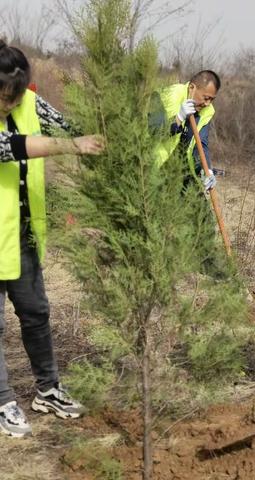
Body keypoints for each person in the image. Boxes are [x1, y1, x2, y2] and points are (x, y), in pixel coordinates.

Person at [0, 40, 104, 438]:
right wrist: (70, 146)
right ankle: (4, 400)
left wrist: (101, 136)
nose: (10, 105)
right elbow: (11, 147)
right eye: (3, 98)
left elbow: (71, 127)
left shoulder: (29, 101)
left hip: (22, 234)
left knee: (36, 315)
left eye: (14, 96)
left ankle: (48, 388)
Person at [149, 70, 221, 192]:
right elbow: (153, 132)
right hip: (155, 168)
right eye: (206, 98)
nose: (208, 104)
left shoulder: (207, 111)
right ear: (192, 87)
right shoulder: (168, 95)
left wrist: (205, 170)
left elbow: (200, 145)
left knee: (199, 209)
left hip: (182, 169)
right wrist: (178, 118)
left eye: (212, 99)